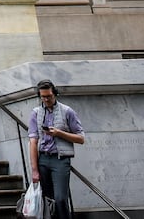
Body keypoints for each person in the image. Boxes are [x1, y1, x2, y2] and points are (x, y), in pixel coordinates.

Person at [28, 79, 85, 219]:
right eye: (43, 97)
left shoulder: (67, 111)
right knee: (47, 200)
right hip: (43, 159)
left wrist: (59, 133)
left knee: (60, 199)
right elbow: (33, 142)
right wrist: (34, 170)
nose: (46, 99)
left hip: (60, 160)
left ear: (55, 94)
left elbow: (81, 138)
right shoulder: (36, 113)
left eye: (49, 96)